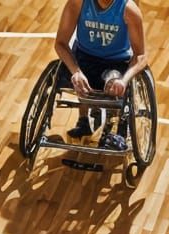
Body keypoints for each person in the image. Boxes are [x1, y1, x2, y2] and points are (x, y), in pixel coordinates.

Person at [54, 0, 149, 149]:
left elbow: (141, 55)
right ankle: (83, 120)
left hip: (115, 62)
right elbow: (60, 43)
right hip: (84, 58)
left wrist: (124, 80)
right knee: (79, 79)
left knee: (114, 82)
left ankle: (118, 127)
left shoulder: (129, 10)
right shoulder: (78, 3)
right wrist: (76, 72)